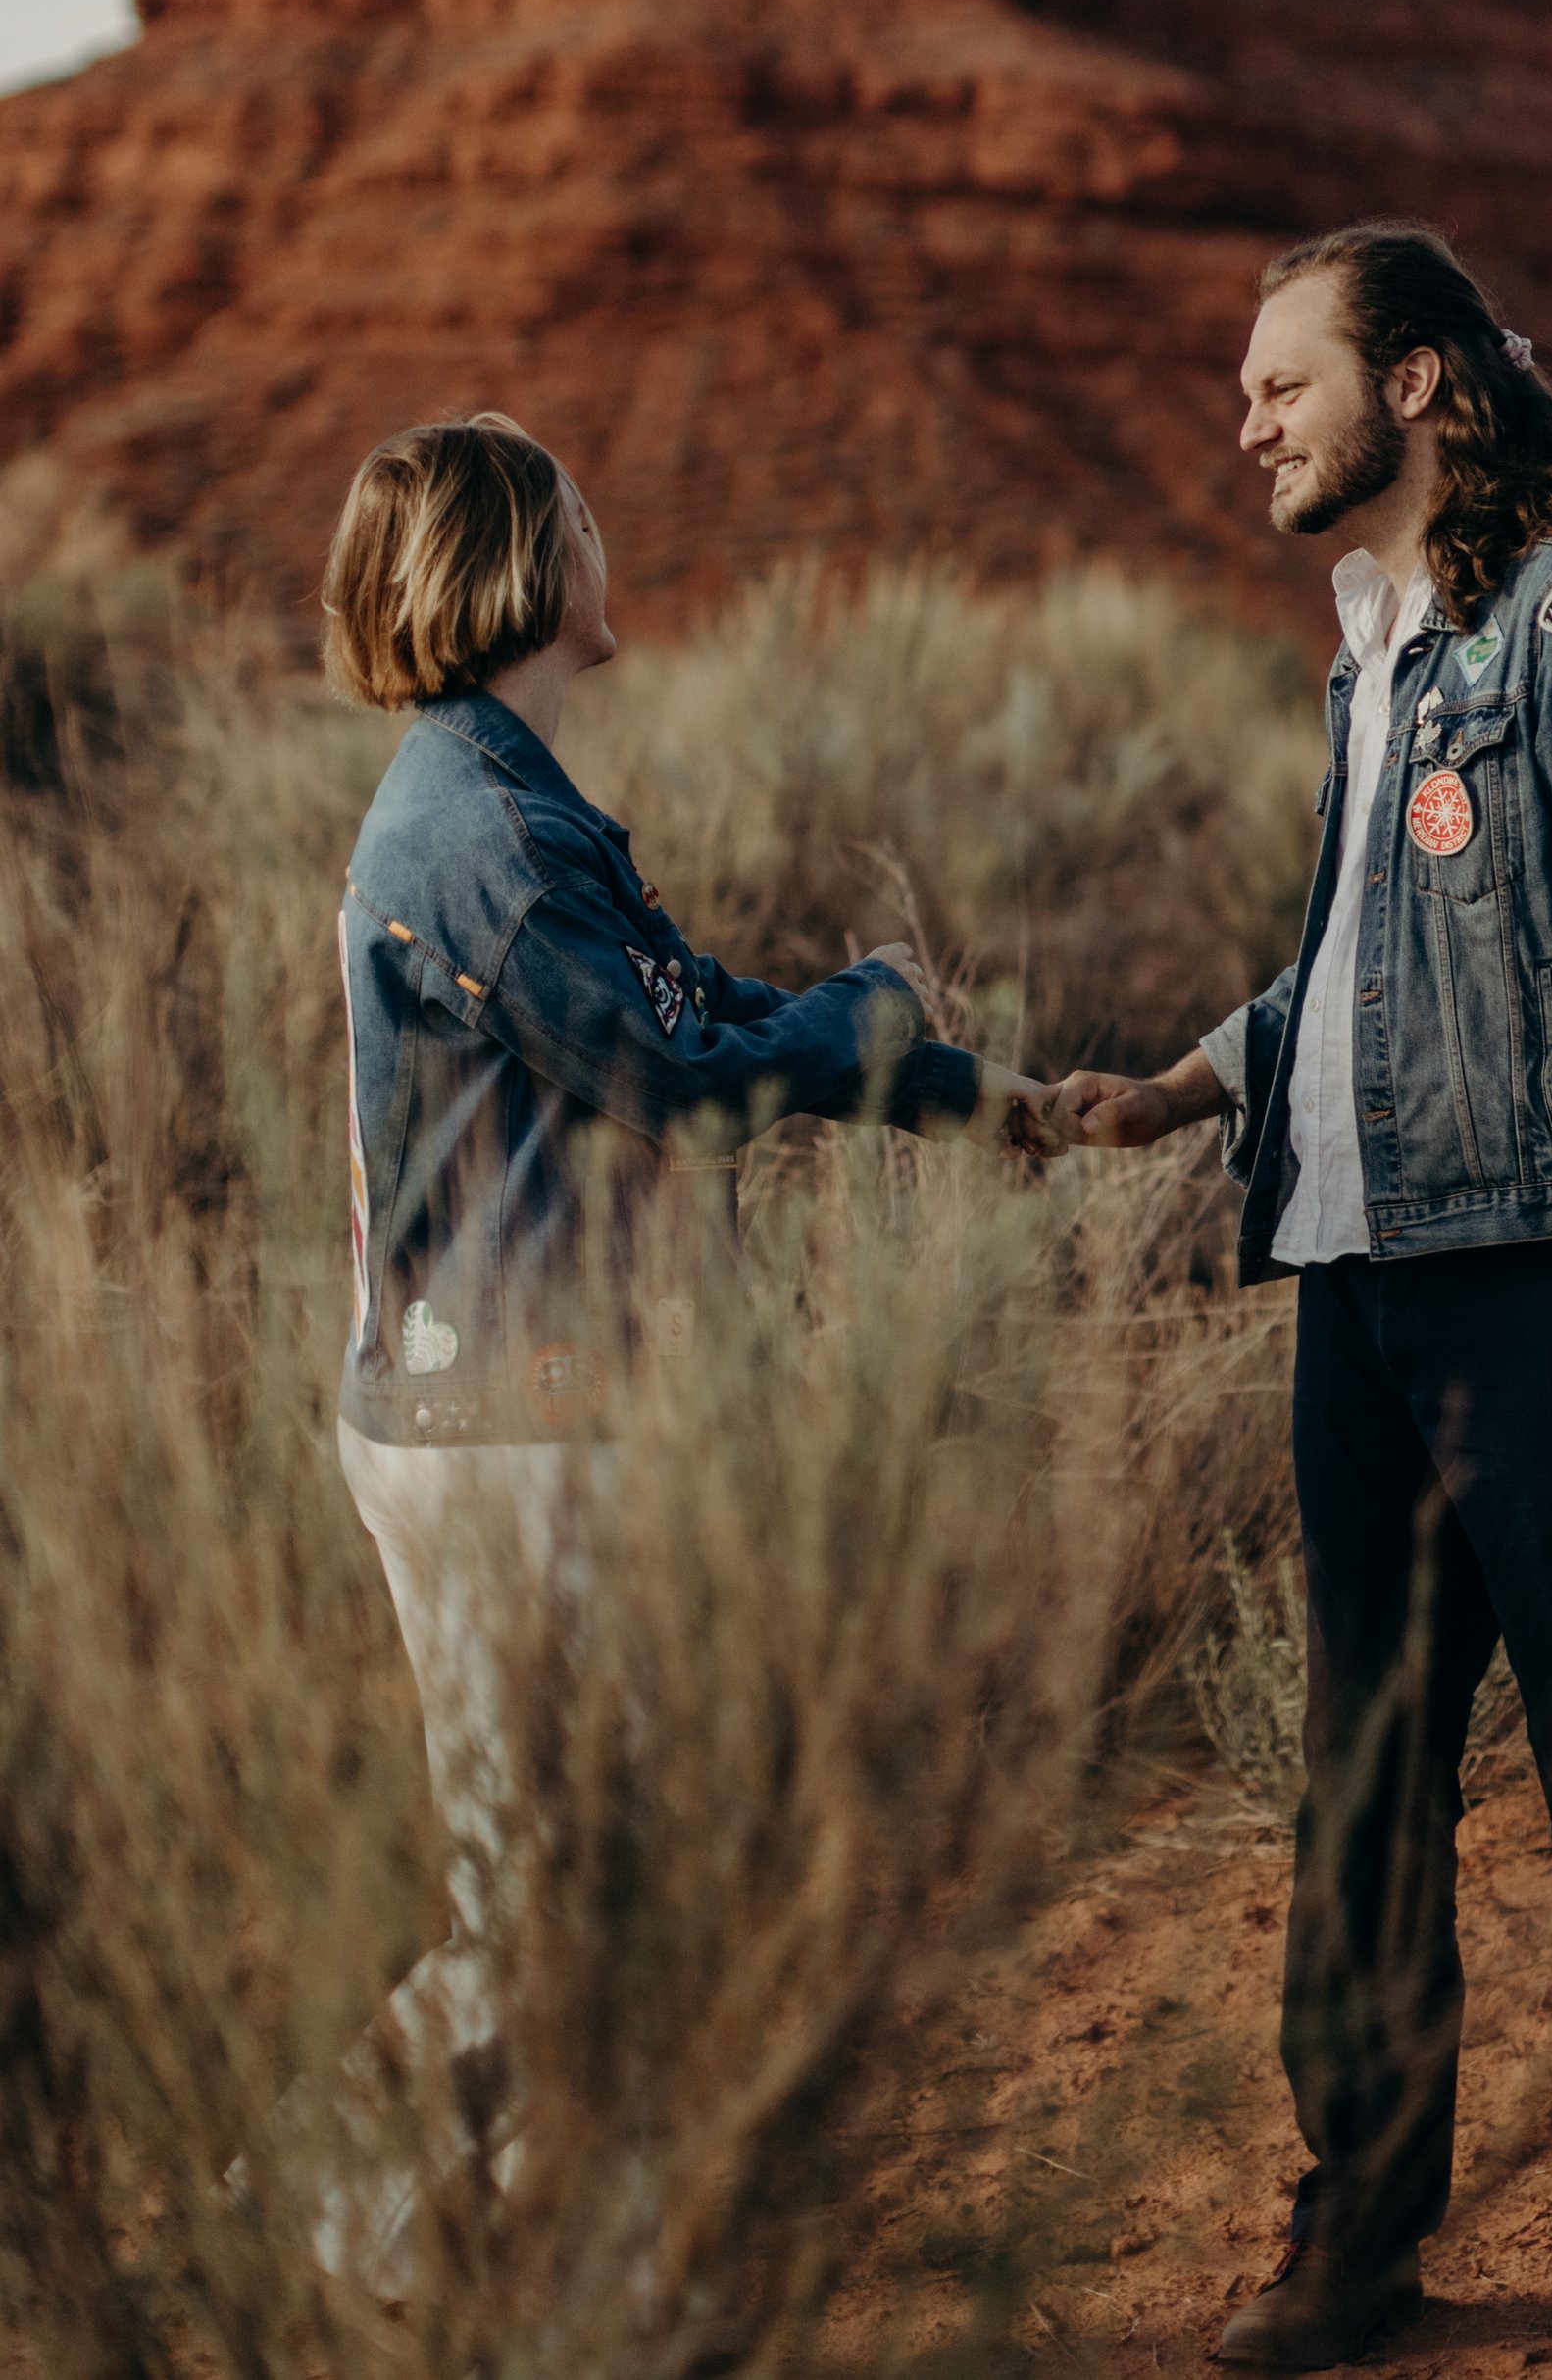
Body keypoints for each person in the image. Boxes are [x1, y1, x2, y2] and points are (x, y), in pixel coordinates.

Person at [1053, 227, 1552, 2373]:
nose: (1246, 420)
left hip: (1546, 1272)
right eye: (1242, 389)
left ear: (1416, 389)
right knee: (1363, 1772)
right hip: (1362, 1276)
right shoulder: (1371, 644)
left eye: (1280, 381)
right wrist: (1185, 1086)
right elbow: (1376, 965)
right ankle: (1357, 2234)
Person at [314, 410, 1049, 2285]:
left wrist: (958, 1086)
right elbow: (681, 1078)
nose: (603, 529)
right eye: (574, 508)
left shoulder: (513, 801)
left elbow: (693, 1003)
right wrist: (873, 1008)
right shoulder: (482, 827)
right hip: (515, 1425)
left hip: (517, 1408)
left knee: (587, 1878)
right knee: (576, 1885)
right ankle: (330, 2236)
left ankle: (536, 2263)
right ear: (516, 562)